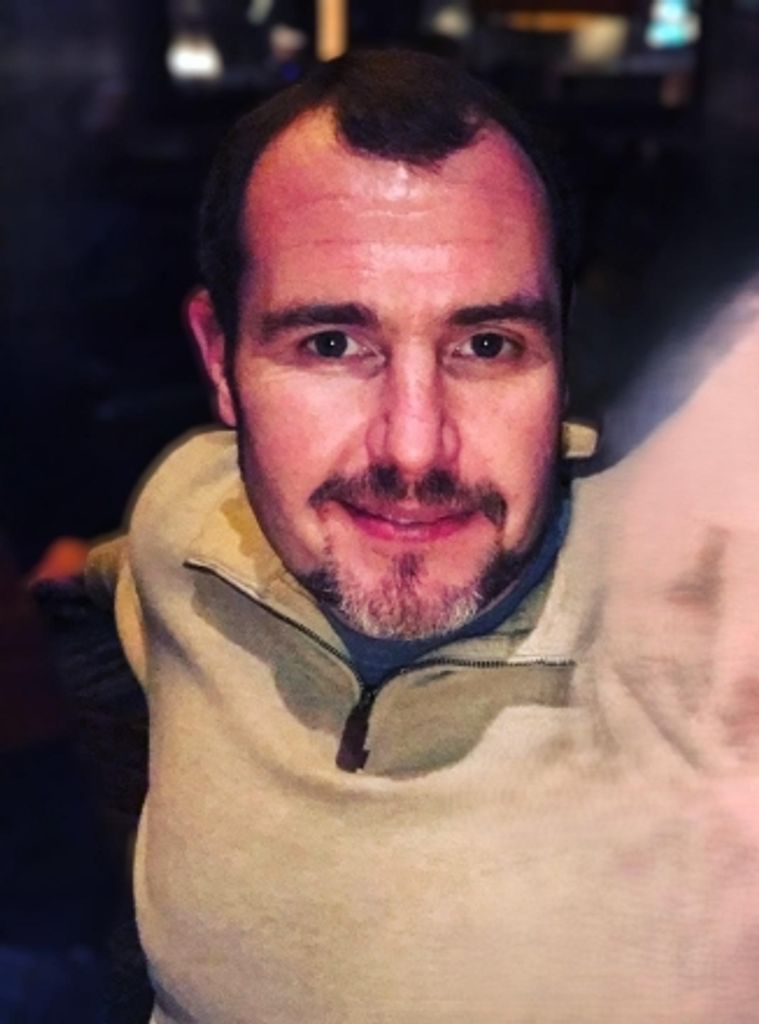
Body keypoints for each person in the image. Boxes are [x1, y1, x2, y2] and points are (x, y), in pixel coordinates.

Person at [74, 49, 759, 1024]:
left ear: (562, 360)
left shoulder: (703, 633)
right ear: (220, 361)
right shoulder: (181, 522)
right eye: (331, 344)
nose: (412, 446)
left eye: (486, 345)